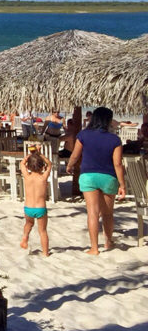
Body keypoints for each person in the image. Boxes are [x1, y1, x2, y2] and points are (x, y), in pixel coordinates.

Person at [67, 106, 127, 255]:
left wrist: (69, 165)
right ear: (107, 121)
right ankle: (108, 242)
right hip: (108, 178)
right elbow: (118, 164)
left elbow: (75, 155)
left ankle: (94, 248)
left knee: (92, 213)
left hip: (88, 177)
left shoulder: (83, 135)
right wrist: (122, 185)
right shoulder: (115, 139)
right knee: (107, 213)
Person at [20, 149, 52, 256]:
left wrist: (30, 155)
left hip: (28, 208)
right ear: (42, 167)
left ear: (28, 167)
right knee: (42, 231)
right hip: (40, 208)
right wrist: (40, 154)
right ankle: (45, 252)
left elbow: (21, 163)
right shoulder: (43, 178)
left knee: (29, 223)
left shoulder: (27, 176)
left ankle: (25, 237)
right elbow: (50, 164)